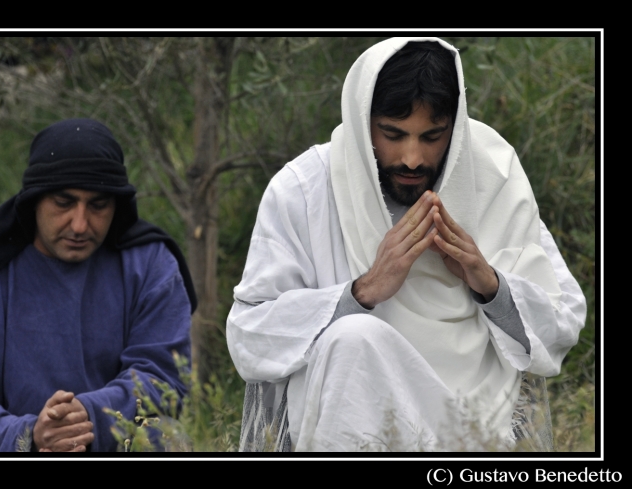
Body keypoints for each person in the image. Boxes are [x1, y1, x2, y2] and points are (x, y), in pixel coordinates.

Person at [226, 38, 586, 452]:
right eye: (393, 134)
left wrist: (488, 284)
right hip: (342, 425)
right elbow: (249, 336)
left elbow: (562, 323)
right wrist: (361, 292)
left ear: (456, 125)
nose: (413, 158)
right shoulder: (306, 190)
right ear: (363, 122)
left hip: (474, 429)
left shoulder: (493, 177)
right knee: (355, 339)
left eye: (433, 135)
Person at [0, 118, 197, 452]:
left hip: (116, 443)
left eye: (98, 205)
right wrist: (29, 435)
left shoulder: (150, 264)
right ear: (34, 201)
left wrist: (89, 416)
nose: (79, 224)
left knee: (169, 438)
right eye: (63, 203)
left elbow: (163, 377)